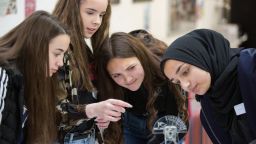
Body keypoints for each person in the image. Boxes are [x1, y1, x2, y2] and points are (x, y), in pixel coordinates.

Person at [52, 0, 132, 143]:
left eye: (102, 15)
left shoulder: (84, 49)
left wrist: (100, 113)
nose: (97, 21)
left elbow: (86, 99)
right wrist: (92, 110)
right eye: (90, 13)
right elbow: (52, 111)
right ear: (71, 8)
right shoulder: (57, 50)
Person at [161, 29, 256, 144]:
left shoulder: (251, 67)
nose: (185, 86)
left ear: (204, 55)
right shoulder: (208, 110)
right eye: (177, 82)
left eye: (185, 71)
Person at [95, 32, 188, 144]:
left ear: (141, 58)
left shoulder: (165, 70)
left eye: (131, 68)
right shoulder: (108, 83)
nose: (128, 79)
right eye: (117, 75)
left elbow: (180, 119)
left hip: (167, 121)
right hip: (131, 121)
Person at [0, 10, 70, 143]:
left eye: (63, 55)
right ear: (35, 46)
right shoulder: (3, 76)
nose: (60, 63)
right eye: (56, 54)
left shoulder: (32, 78)